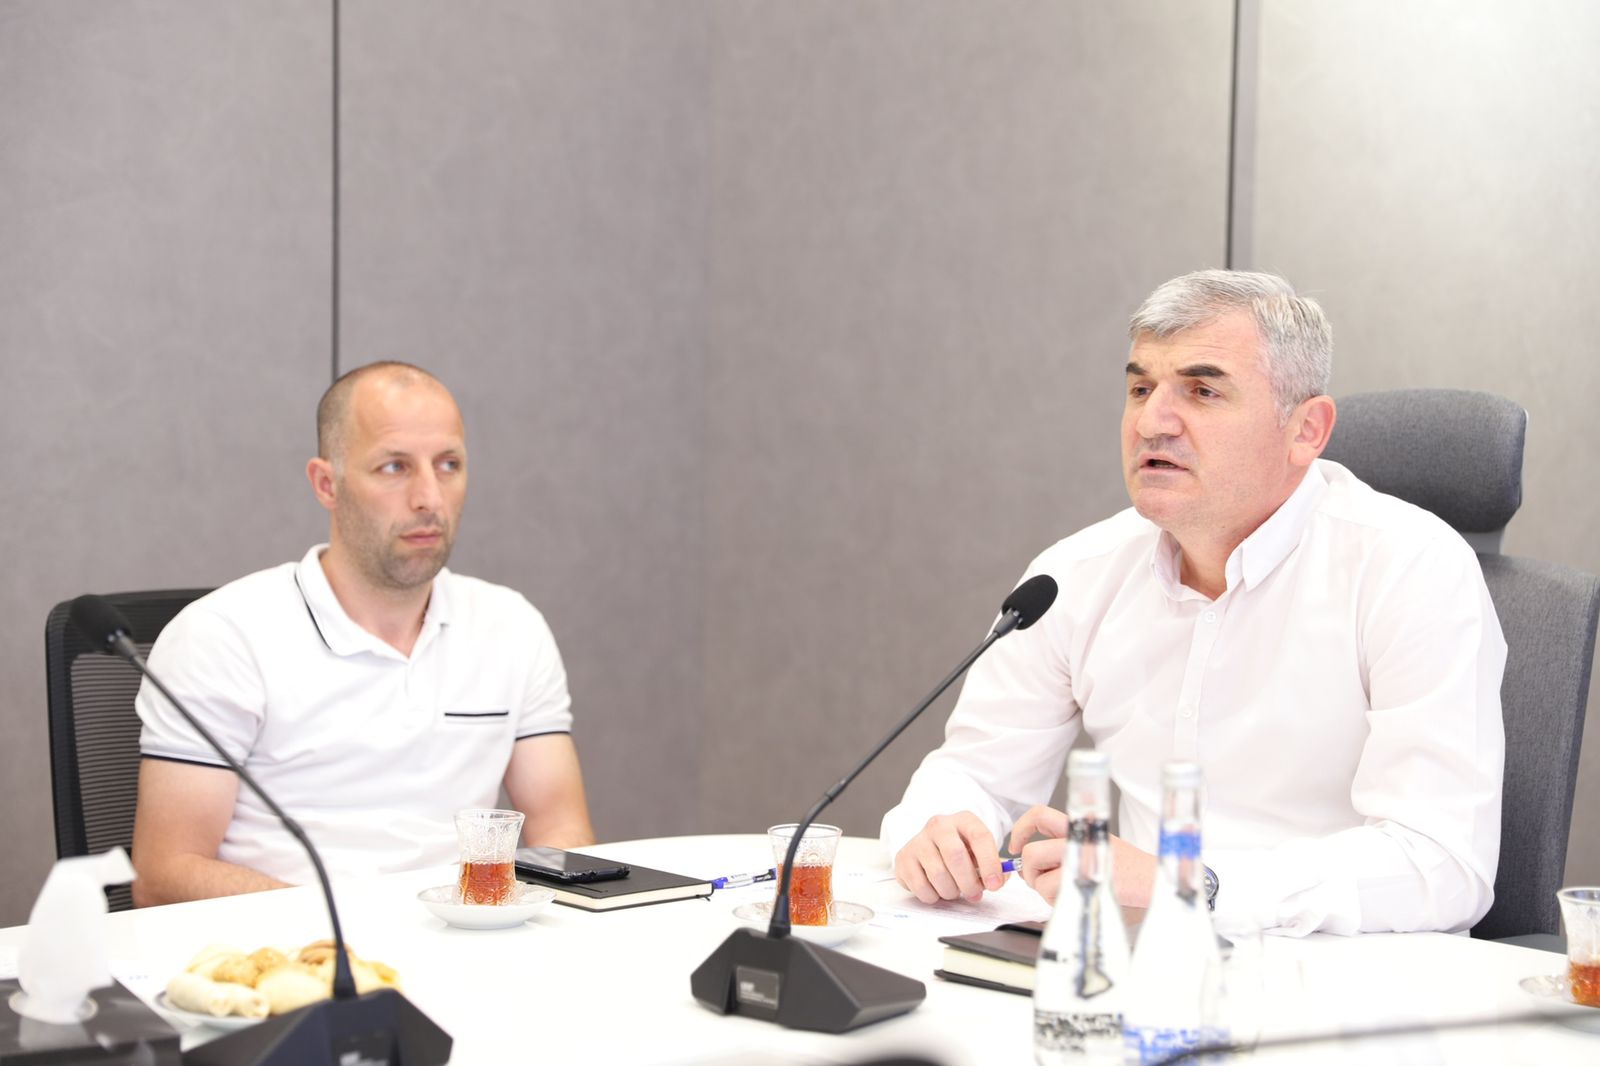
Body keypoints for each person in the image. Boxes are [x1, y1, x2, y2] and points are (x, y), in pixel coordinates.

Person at [880, 270, 1506, 936]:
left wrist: (1189, 885)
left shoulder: (1410, 568)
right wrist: (939, 831)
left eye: (1203, 391)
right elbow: (975, 772)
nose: (1152, 422)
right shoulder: (1072, 577)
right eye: (1140, 389)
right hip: (1134, 960)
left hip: (1348, 970)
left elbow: (1442, 863)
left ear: (1306, 430)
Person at [130, 361, 595, 906]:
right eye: (395, 467)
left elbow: (561, 833)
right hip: (297, 943)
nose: (430, 498)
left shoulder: (511, 626)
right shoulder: (222, 636)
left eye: (449, 465)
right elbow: (164, 876)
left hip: (469, 935)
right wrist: (353, 927)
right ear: (327, 484)